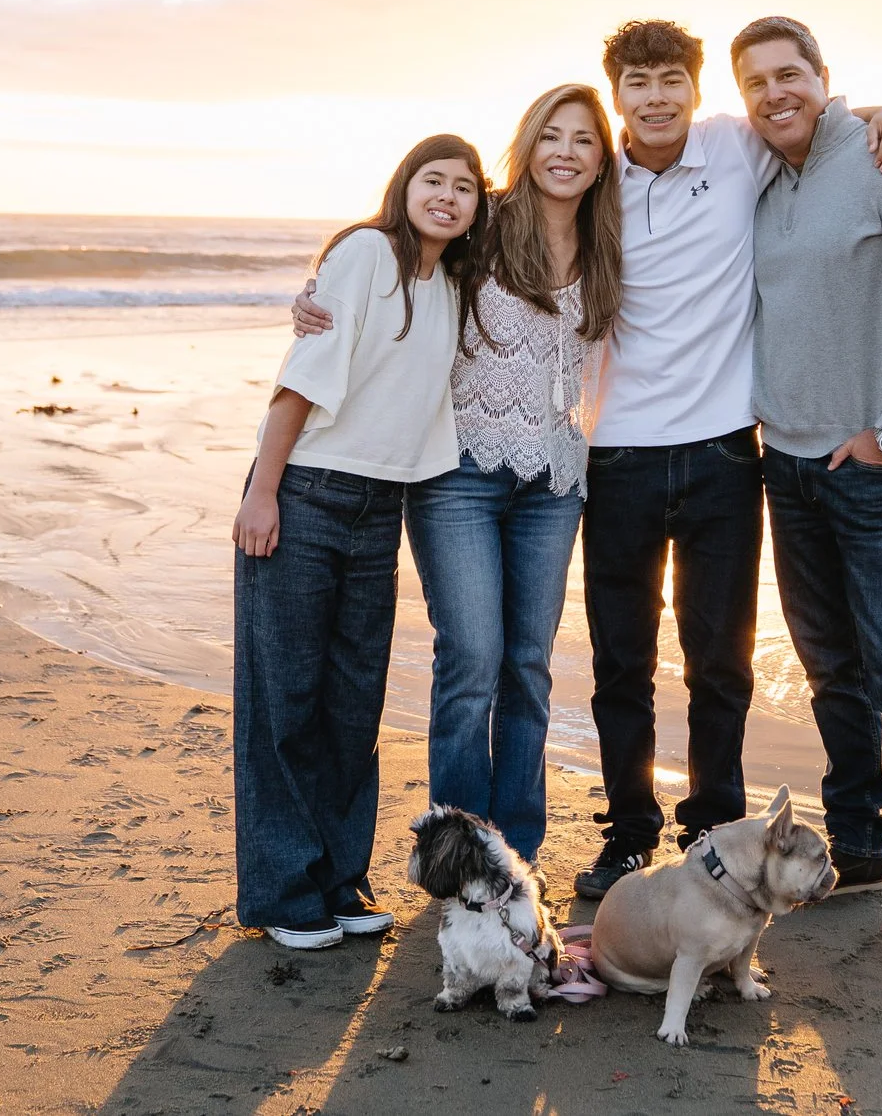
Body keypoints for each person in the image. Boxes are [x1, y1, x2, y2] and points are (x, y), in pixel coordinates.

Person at [566, 22, 882, 900]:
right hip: (616, 458)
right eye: (636, 83)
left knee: (719, 659)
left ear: (695, 89)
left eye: (669, 80)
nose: (654, 98)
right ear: (616, 97)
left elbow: (811, 117)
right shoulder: (590, 180)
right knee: (622, 659)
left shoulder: (735, 147)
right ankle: (628, 829)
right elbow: (497, 242)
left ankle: (711, 826)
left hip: (726, 453)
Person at [730, 15, 882, 949]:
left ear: (824, 79)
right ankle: (858, 845)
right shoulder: (759, 177)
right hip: (786, 465)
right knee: (832, 670)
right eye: (756, 82)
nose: (774, 93)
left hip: (877, 468)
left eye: (789, 75)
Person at [232, 134, 487, 950]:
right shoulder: (366, 253)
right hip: (304, 493)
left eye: (465, 187)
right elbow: (301, 374)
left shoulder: (452, 282)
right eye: (433, 179)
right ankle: (282, 892)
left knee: (352, 705)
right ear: (404, 185)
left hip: (381, 510)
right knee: (286, 700)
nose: (447, 195)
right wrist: (262, 491)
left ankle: (339, 879)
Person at [402, 83, 622, 861]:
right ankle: (458, 854)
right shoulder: (485, 220)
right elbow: (395, 245)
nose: (566, 151)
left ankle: (515, 853)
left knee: (528, 666)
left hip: (556, 481)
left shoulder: (607, 242)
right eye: (551, 136)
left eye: (583, 140)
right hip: (458, 473)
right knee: (472, 657)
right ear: (528, 145)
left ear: (602, 158)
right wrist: (319, 294)